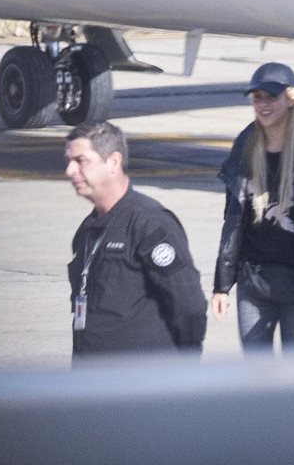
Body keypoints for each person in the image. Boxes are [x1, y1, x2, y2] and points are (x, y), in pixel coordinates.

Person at [65, 121, 206, 358]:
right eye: (68, 161)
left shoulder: (149, 223)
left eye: (81, 161)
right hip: (94, 379)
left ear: (113, 163)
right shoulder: (89, 229)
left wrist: (185, 365)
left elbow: (188, 303)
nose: (70, 171)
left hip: (141, 381)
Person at [211, 63, 294, 353]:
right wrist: (222, 285)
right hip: (254, 282)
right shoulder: (246, 144)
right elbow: (233, 219)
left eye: (270, 97)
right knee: (254, 376)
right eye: (257, 98)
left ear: (290, 99)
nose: (262, 105)